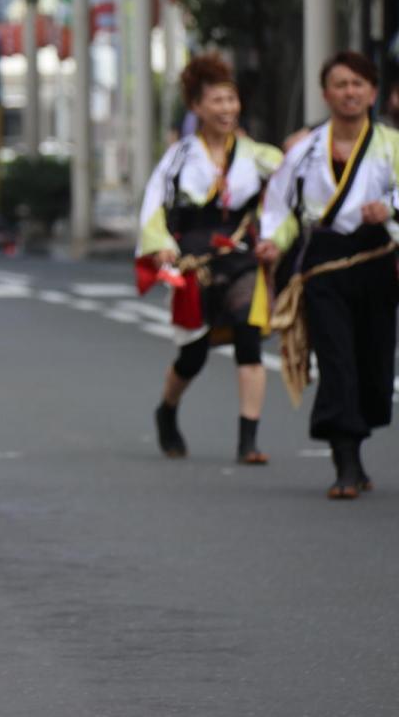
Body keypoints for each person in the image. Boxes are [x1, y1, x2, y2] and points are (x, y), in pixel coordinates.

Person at [256, 51, 399, 499]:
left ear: (372, 92)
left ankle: (357, 444)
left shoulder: (391, 145)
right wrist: (272, 242)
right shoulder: (304, 149)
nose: (350, 92)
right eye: (341, 84)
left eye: (358, 84)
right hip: (324, 263)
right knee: (336, 361)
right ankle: (346, 462)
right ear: (326, 94)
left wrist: (391, 208)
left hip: (376, 260)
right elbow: (281, 207)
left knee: (374, 364)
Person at [135, 54, 282, 465]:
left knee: (249, 340)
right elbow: (153, 207)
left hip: (239, 255)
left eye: (231, 100)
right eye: (217, 101)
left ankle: (248, 440)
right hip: (194, 262)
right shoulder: (179, 157)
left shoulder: (258, 156)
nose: (226, 109)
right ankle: (166, 411)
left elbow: (292, 187)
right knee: (193, 354)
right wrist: (161, 245)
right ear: (197, 107)